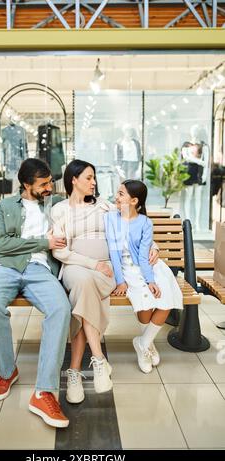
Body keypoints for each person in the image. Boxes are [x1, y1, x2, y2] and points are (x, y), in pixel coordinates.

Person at [51, 160, 159, 404]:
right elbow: (59, 251)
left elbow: (134, 222)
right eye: (89, 178)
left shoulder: (104, 206)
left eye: (94, 177)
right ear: (73, 180)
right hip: (76, 267)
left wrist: (155, 245)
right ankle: (98, 359)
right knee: (83, 284)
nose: (94, 182)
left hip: (109, 269)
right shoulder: (59, 210)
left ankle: (75, 372)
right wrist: (92, 264)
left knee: (83, 294)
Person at [0, 158, 71, 428]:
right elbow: (2, 245)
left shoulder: (54, 205)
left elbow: (82, 209)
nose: (48, 187)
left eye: (50, 182)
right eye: (42, 184)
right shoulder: (5, 207)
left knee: (61, 309)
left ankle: (43, 391)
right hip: (6, 268)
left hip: (39, 268)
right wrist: (44, 241)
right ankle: (7, 371)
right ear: (26, 184)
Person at [104, 179, 183, 374]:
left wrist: (150, 280)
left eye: (121, 194)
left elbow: (143, 254)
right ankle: (146, 345)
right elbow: (114, 253)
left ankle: (143, 342)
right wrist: (120, 280)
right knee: (144, 301)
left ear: (134, 200)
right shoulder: (110, 218)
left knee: (164, 299)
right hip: (126, 270)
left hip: (150, 267)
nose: (116, 196)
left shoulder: (145, 222)